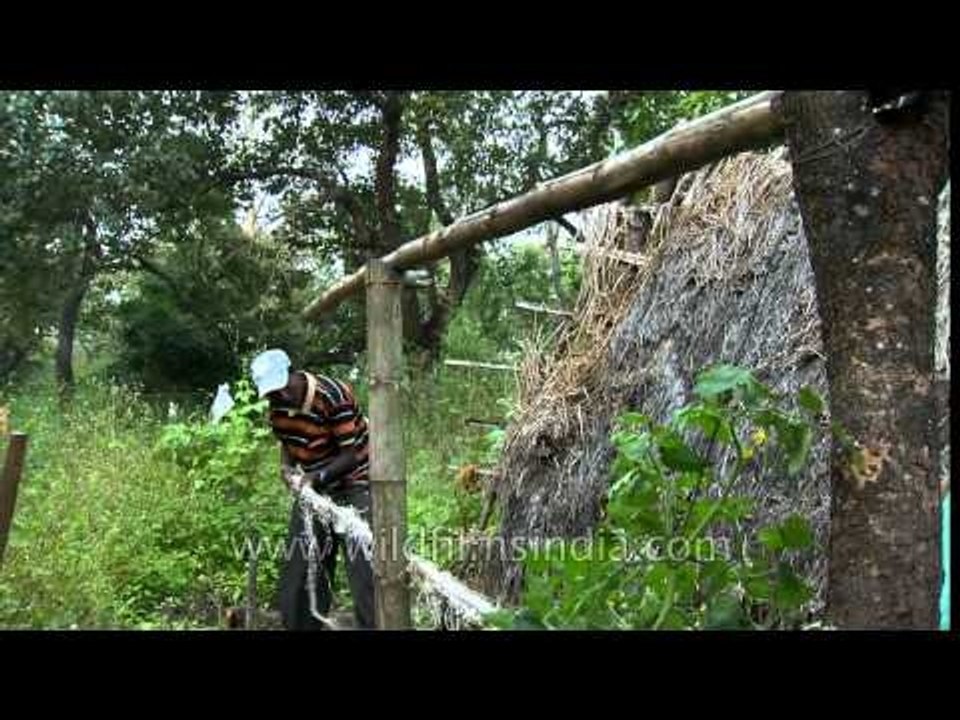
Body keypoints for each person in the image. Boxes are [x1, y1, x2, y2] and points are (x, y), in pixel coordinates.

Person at [250, 348, 375, 630]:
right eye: (271, 393)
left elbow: (350, 456)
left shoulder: (334, 395)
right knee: (301, 565)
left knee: (365, 567)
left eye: (281, 389)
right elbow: (287, 442)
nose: (278, 398)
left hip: (355, 481)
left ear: (294, 374)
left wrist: (313, 479)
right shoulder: (277, 405)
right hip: (315, 487)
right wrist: (286, 469)